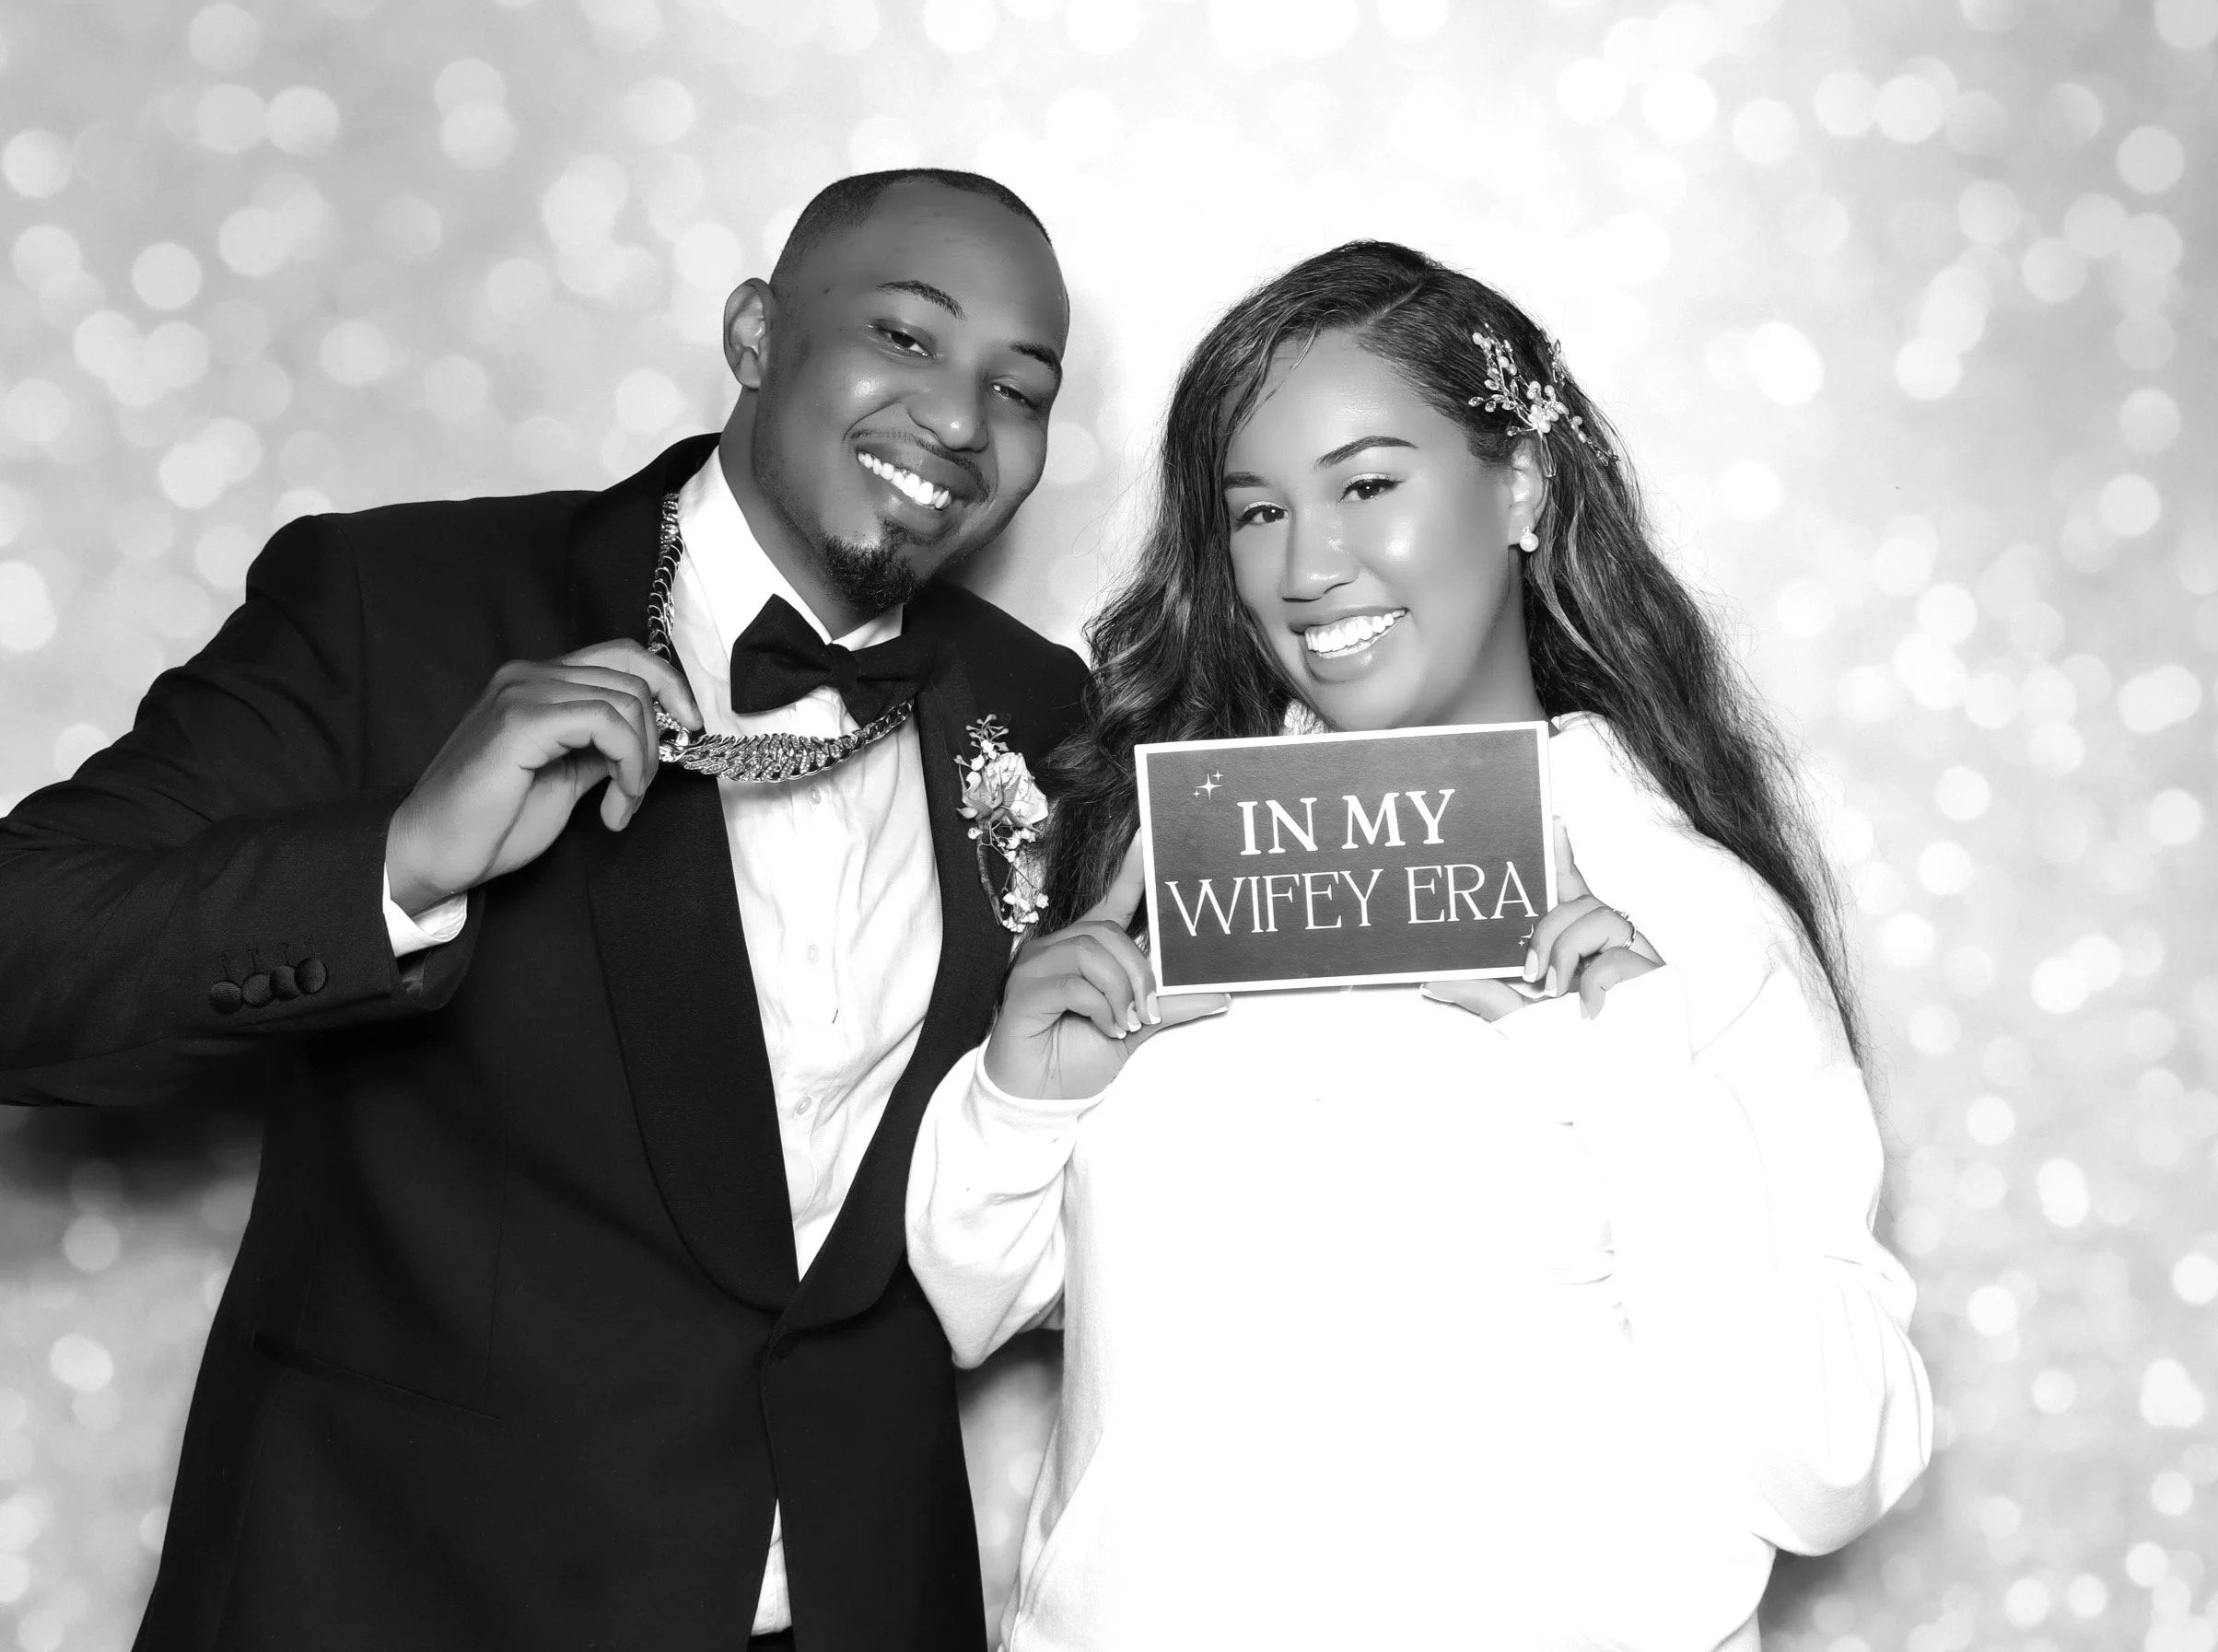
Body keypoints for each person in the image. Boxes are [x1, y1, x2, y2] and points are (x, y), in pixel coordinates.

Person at [0, 169, 1089, 1652]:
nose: (960, 422)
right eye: (906, 338)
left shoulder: (1042, 713)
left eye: (1019, 390)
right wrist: (402, 861)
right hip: (416, 1595)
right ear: (757, 334)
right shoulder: (401, 602)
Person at [905, 241, 1932, 1650]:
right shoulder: (1171, 868)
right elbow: (980, 1309)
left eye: (1368, 486)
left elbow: (1832, 1463)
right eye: (1256, 510)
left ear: (1522, 488)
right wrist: (1026, 1097)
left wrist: (1620, 1063)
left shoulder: (1686, 921)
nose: (1308, 566)